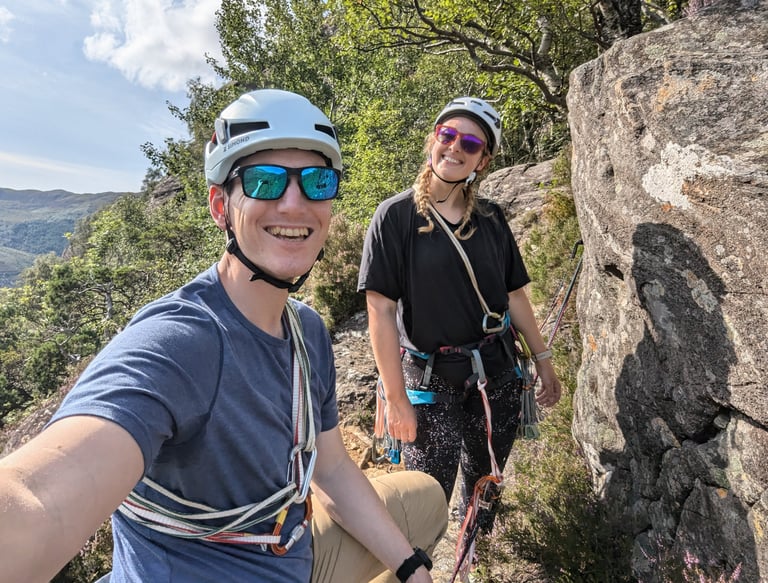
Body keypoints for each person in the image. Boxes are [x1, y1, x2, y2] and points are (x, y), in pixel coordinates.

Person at [0, 89, 447, 583]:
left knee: (426, 498)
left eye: (318, 182)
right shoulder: (180, 341)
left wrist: (410, 568)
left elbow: (334, 471)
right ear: (220, 206)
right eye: (265, 180)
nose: (295, 204)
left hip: (292, 553)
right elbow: (36, 500)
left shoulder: (308, 332)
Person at [358, 96, 562, 532]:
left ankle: (477, 553)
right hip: (430, 377)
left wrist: (543, 361)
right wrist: (396, 400)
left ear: (482, 160)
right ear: (433, 139)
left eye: (469, 143)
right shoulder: (394, 217)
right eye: (447, 135)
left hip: (498, 371)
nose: (454, 148)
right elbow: (380, 309)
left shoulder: (490, 219)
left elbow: (515, 296)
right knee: (426, 496)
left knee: (485, 482)